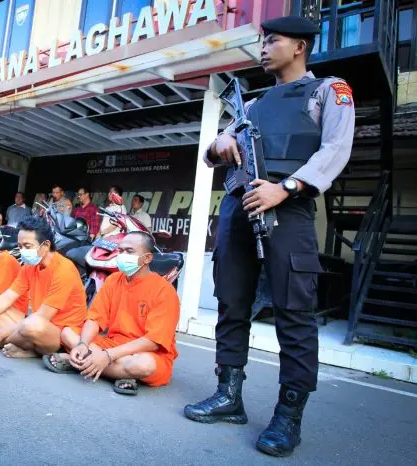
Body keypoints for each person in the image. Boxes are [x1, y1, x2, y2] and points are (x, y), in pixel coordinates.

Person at [182, 16, 355, 458]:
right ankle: (229, 395)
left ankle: (288, 415)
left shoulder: (328, 91)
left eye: (271, 40)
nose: (262, 47)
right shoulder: (252, 105)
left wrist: (287, 187)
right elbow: (213, 152)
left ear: (299, 46)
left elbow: (336, 149)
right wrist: (217, 146)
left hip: (290, 207)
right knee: (231, 303)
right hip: (240, 208)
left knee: (294, 313)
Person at [43, 232, 180, 395]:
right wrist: (83, 344)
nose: (122, 256)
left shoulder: (164, 291)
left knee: (143, 366)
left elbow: (153, 341)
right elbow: (95, 319)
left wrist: (107, 356)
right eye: (120, 251)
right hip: (112, 344)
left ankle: (78, 363)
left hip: (146, 353)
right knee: (68, 332)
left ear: (147, 258)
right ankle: (115, 372)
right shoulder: (113, 280)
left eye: (129, 251)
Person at [0, 216, 87, 358]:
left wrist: (0, 334)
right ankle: (28, 348)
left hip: (60, 333)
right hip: (33, 323)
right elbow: (6, 298)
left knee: (32, 325)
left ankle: (25, 347)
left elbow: (42, 317)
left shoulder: (64, 270)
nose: (23, 251)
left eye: (27, 246)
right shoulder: (29, 267)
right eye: (20, 246)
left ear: (45, 245)